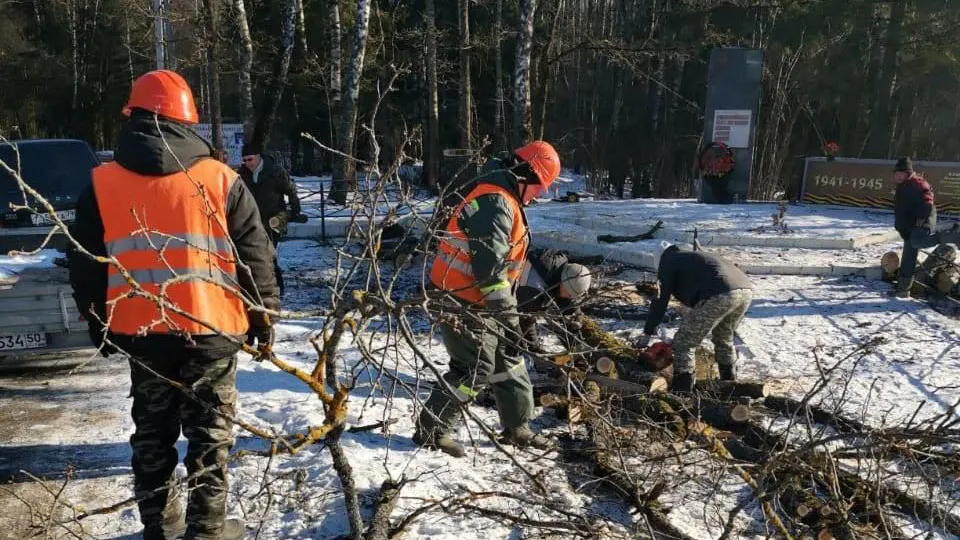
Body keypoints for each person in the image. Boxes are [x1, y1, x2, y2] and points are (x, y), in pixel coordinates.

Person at [67, 70, 279, 540]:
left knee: (152, 438)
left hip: (142, 334)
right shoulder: (221, 179)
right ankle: (207, 532)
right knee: (209, 440)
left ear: (134, 117)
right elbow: (255, 254)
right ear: (187, 120)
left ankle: (159, 530)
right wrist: (264, 318)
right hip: (213, 332)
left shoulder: (101, 184)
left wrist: (98, 320)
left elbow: (84, 262)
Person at [416, 140, 562, 458]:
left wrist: (508, 317)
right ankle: (432, 429)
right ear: (525, 175)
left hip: (480, 298)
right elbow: (490, 271)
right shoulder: (495, 201)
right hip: (462, 298)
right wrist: (509, 317)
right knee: (474, 367)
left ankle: (517, 426)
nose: (538, 196)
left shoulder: (503, 197)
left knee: (507, 358)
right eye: (539, 187)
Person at [638, 242, 753, 393]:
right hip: (745, 291)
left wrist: (648, 331)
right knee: (724, 337)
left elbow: (660, 300)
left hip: (719, 294)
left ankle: (682, 391)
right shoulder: (689, 257)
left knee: (684, 342)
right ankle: (729, 385)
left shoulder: (668, 261)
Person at [238, 142, 306, 296]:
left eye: (250, 159)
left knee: (269, 253)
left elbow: (291, 190)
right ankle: (260, 287)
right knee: (255, 254)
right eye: (245, 160)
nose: (247, 163)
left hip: (274, 220)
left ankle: (277, 286)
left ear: (258, 157)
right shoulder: (242, 174)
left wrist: (295, 211)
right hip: (252, 221)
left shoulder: (275, 171)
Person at [890, 157, 960, 297]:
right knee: (909, 253)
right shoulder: (902, 185)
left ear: (908, 173)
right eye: (896, 173)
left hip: (924, 220)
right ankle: (904, 289)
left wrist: (921, 219)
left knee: (917, 241)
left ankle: (952, 230)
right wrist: (901, 228)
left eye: (900, 173)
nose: (897, 176)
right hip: (911, 225)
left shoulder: (918, 183)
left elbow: (927, 200)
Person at [516, 248, 592, 352]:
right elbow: (524, 321)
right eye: (570, 294)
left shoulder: (563, 267)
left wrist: (576, 316)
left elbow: (567, 298)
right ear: (563, 283)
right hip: (508, 294)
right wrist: (534, 348)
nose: (570, 297)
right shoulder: (534, 291)